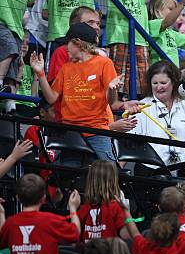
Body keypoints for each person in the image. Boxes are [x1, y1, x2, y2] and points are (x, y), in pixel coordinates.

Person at [30, 23, 140, 162]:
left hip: (96, 130)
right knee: (69, 175)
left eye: (68, 43)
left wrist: (112, 89)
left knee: (106, 173)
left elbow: (112, 102)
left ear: (78, 43)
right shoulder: (66, 68)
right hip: (70, 131)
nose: (65, 48)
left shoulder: (104, 63)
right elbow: (52, 98)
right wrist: (40, 74)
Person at [0, 174, 81, 254]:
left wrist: (1, 214)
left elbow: (1, 239)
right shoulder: (51, 220)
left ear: (18, 198)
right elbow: (76, 234)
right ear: (43, 198)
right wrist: (73, 209)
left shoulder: (11, 223)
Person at [130, 60, 185, 175]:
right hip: (152, 172)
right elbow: (129, 141)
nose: (159, 87)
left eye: (163, 83)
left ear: (173, 82)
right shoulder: (142, 107)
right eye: (155, 83)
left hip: (184, 170)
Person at [77, 160, 127, 242]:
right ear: (113, 181)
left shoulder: (83, 209)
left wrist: (72, 210)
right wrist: (127, 213)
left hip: (87, 253)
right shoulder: (116, 208)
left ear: (90, 181)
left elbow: (73, 237)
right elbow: (127, 236)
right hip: (109, 253)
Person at [147, 0, 185, 66]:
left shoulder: (171, 33)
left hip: (173, 72)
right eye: (171, 9)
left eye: (175, 10)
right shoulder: (152, 24)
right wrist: (182, 4)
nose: (175, 13)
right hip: (159, 71)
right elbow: (166, 22)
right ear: (157, 9)